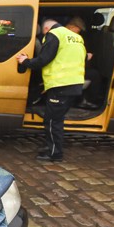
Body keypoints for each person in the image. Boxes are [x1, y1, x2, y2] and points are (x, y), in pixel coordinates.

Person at [16, 17, 86, 162]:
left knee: (53, 121)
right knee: (55, 119)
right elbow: (82, 58)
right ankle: (52, 147)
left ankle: (55, 153)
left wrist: (26, 61)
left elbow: (43, 59)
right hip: (74, 83)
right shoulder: (75, 37)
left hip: (61, 85)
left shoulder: (54, 34)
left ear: (46, 29)